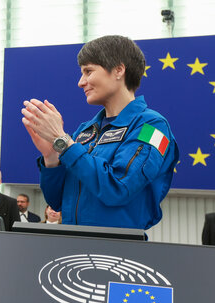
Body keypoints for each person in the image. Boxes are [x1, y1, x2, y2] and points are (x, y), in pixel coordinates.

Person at [22, 35, 179, 229]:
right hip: (73, 243)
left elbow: (118, 188)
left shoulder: (152, 127)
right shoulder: (85, 131)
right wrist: (52, 155)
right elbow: (57, 201)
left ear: (119, 70)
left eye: (88, 71)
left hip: (117, 249)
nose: (81, 82)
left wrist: (62, 140)